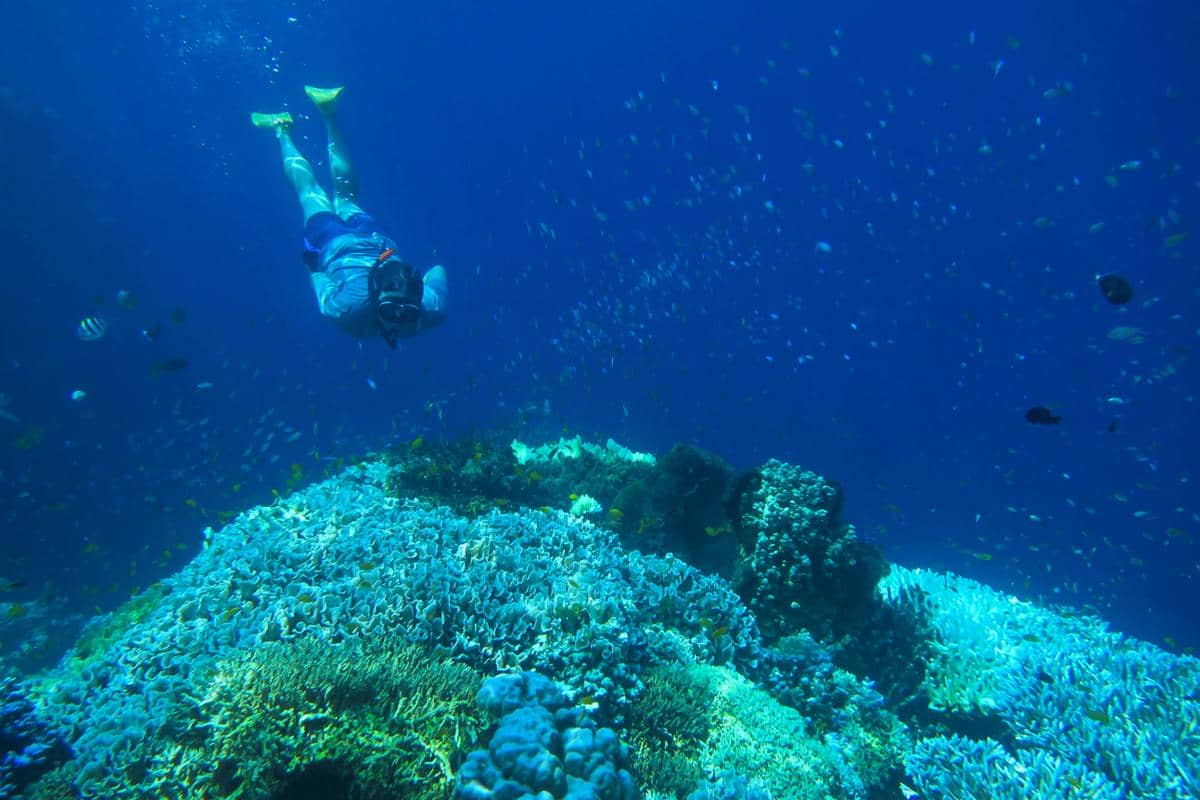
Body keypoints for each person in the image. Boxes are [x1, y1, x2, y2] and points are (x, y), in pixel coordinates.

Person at [251, 86, 447, 346]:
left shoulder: (432, 306)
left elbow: (436, 270)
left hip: (377, 240)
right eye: (396, 311)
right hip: (332, 242)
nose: (397, 321)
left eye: (401, 313)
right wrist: (313, 266)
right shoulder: (347, 312)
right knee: (309, 191)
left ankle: (328, 113)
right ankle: (282, 129)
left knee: (345, 196)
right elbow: (320, 281)